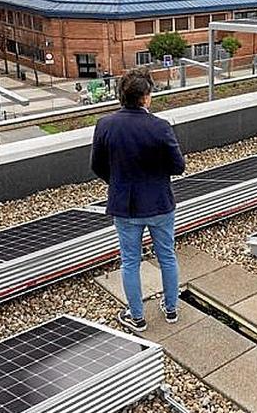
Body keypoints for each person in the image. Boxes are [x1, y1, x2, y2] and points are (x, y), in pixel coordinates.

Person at [91, 69, 185, 332]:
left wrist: (118, 184)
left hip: (125, 206)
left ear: (122, 95)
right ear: (145, 97)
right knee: (167, 256)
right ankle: (171, 310)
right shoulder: (160, 126)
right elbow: (178, 166)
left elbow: (96, 165)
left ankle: (137, 317)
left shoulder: (105, 125)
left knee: (130, 261)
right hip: (159, 204)